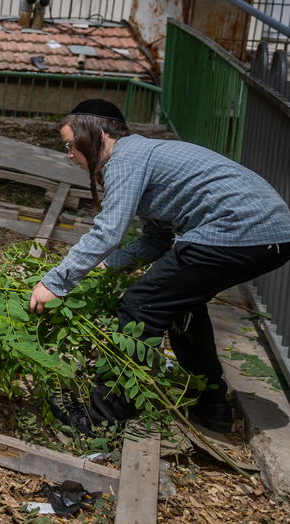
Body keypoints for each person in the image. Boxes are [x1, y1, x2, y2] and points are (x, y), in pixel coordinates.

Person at [30, 99, 290, 434]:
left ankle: (102, 419)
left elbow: (108, 230)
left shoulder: (125, 159)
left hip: (241, 229)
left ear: (100, 134)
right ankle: (212, 408)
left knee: (138, 308)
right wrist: (108, 266)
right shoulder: (142, 157)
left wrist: (55, 282)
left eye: (70, 144)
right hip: (267, 234)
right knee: (183, 308)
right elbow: (156, 239)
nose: (69, 155)